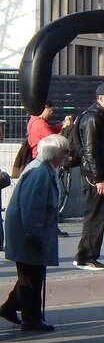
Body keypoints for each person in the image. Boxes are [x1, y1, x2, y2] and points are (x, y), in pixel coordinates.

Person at [1, 133, 71, 332]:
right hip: (27, 232)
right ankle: (30, 319)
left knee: (31, 273)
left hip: (29, 231)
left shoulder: (44, 169)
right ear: (54, 152)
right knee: (31, 275)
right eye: (65, 151)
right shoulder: (40, 172)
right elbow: (32, 206)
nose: (68, 155)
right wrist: (33, 235)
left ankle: (11, 308)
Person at [74, 82, 104, 271]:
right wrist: (98, 177)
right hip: (94, 176)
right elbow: (90, 150)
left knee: (96, 215)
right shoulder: (93, 118)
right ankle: (86, 257)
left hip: (97, 174)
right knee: (95, 216)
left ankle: (86, 255)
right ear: (100, 98)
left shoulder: (102, 116)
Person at [26, 104, 72, 237]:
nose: (51, 114)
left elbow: (50, 130)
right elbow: (53, 140)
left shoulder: (33, 121)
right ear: (44, 108)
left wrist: (61, 124)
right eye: (50, 111)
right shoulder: (40, 124)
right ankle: (51, 225)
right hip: (44, 159)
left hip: (38, 157)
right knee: (50, 196)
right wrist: (65, 128)